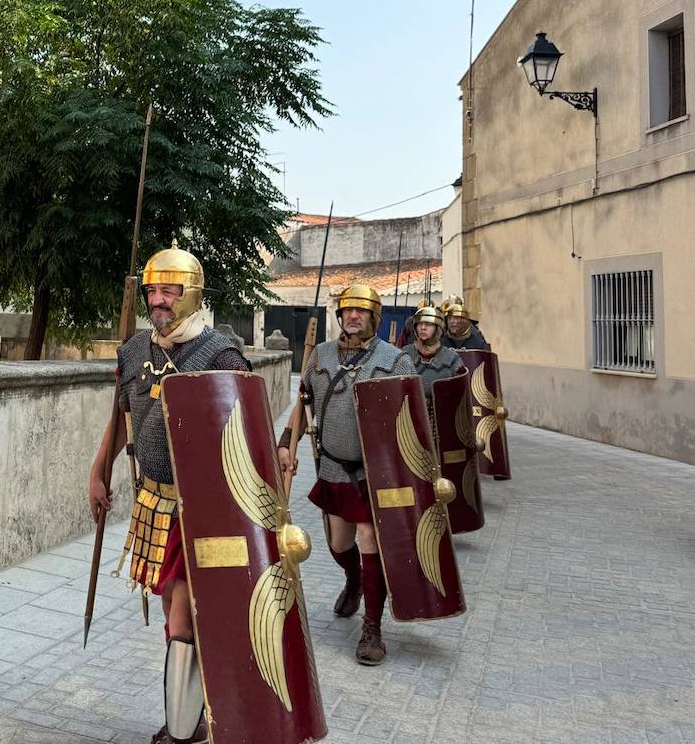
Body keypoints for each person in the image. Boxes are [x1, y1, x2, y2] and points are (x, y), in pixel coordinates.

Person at [87, 246, 249, 744]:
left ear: (191, 294)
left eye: (169, 291)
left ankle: (182, 730)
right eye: (153, 291)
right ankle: (197, 711)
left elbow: (243, 438)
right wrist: (98, 471)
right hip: (152, 501)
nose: (158, 301)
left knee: (183, 613)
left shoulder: (220, 354)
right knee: (172, 610)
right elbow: (121, 418)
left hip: (199, 508)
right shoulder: (135, 350)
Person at [277, 283, 416, 666]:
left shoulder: (394, 361)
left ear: (375, 317)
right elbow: (302, 406)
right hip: (335, 465)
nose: (353, 316)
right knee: (340, 544)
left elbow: (413, 419)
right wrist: (286, 443)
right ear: (339, 316)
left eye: (361, 311)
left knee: (369, 536)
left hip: (376, 471)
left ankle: (372, 627)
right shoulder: (320, 357)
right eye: (347, 311)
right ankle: (354, 579)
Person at [402, 302, 467, 409]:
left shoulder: (452, 359)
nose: (423, 328)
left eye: (428, 324)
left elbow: (461, 396)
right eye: (419, 324)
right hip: (409, 417)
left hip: (441, 419)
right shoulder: (404, 355)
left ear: (438, 328)